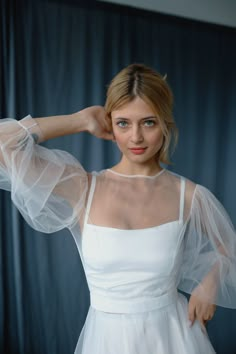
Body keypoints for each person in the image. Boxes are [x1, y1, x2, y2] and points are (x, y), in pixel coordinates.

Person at [0, 63, 236, 354]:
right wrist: (80, 120)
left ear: (165, 123)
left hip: (175, 339)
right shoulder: (83, 188)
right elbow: (3, 146)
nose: (136, 137)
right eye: (124, 123)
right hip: (106, 341)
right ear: (110, 123)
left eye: (148, 122)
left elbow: (230, 248)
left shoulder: (190, 196)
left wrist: (210, 283)